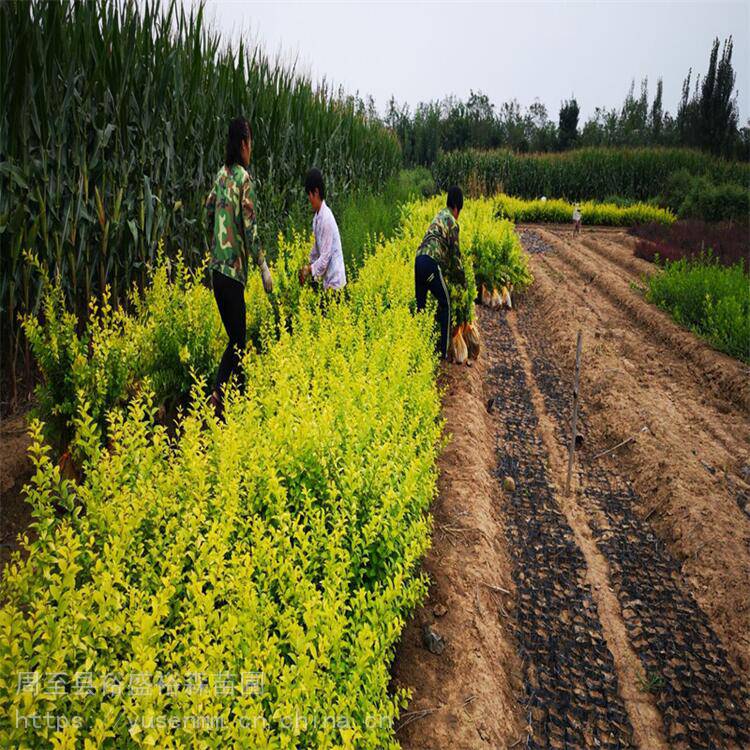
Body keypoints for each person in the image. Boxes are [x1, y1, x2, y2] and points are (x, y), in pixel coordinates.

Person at [205, 116, 273, 415]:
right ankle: (217, 394)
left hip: (216, 271)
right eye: (250, 142)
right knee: (238, 342)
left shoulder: (220, 175)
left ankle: (241, 400)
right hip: (233, 273)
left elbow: (207, 211)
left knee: (237, 338)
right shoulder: (243, 179)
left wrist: (215, 245)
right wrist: (263, 265)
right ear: (244, 143)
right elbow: (250, 226)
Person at [415, 186, 466, 360]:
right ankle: (442, 353)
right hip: (430, 263)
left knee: (421, 309)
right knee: (445, 304)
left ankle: (419, 349)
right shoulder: (452, 221)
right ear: (457, 207)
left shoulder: (438, 216)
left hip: (419, 261)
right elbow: (455, 257)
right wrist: (462, 282)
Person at [298, 168, 347, 292]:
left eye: (309, 195)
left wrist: (309, 270)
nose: (309, 199)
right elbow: (315, 249)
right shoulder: (317, 218)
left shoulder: (326, 218)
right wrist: (308, 267)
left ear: (316, 192)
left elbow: (324, 258)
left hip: (335, 283)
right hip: (327, 282)